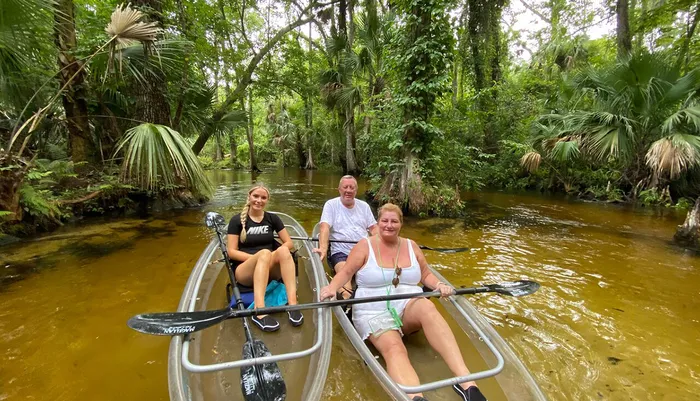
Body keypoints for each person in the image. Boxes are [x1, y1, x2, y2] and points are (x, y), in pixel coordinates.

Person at [319, 203, 487, 401]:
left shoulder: (411, 245)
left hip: (407, 304)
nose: (389, 225)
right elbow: (346, 272)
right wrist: (331, 288)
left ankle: (466, 382)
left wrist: (440, 285)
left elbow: (425, 274)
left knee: (427, 307)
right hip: (372, 309)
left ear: (401, 224)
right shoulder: (365, 245)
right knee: (395, 347)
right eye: (385, 221)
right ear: (378, 223)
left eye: (394, 221)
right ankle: (415, 397)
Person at [227, 184, 303, 332]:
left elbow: (289, 243)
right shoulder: (236, 221)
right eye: (256, 196)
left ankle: (293, 305)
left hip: (267, 268)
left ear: (267, 200)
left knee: (283, 251)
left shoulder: (272, 218)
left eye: (263, 197)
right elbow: (231, 252)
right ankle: (259, 312)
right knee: (264, 253)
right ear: (249, 197)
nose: (259, 200)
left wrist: (272, 256)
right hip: (245, 270)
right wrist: (257, 258)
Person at [312, 175, 377, 298]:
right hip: (341, 253)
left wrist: (386, 244)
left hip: (363, 252)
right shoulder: (331, 205)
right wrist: (323, 248)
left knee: (373, 279)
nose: (348, 190)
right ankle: (347, 302)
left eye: (351, 187)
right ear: (339, 189)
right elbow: (324, 227)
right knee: (344, 279)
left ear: (356, 191)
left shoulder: (364, 206)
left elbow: (374, 228)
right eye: (345, 187)